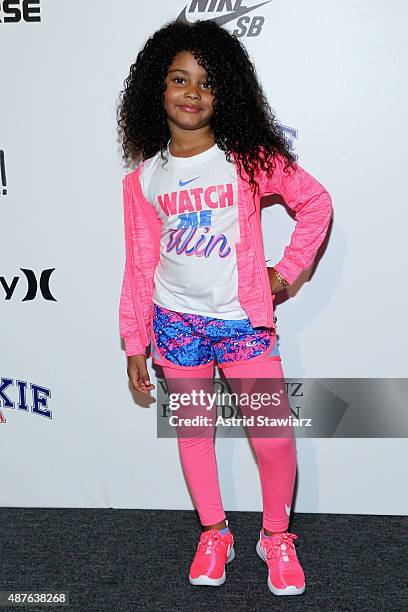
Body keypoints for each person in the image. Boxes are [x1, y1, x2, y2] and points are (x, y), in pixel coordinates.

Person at [117, 19, 332, 596]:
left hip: (240, 323)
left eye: (207, 83)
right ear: (155, 90)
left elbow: (315, 203)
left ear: (225, 92)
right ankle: (214, 532)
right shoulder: (142, 180)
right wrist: (135, 341)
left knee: (273, 436)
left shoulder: (248, 158)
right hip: (175, 323)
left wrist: (284, 272)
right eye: (179, 79)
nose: (192, 93)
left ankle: (276, 536)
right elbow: (139, 266)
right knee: (193, 435)